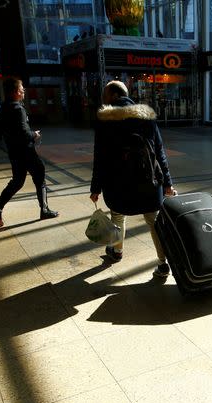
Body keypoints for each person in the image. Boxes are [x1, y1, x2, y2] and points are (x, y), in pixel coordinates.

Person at [89, 80, 175, 278]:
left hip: (118, 183)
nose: (103, 98)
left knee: (118, 216)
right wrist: (168, 182)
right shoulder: (147, 116)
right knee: (153, 221)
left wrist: (96, 187)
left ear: (113, 95)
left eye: (105, 93)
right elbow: (159, 152)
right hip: (149, 181)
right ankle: (163, 264)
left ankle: (117, 251)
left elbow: (100, 156)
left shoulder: (105, 119)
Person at [0, 77, 58, 226]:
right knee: (40, 174)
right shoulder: (18, 109)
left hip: (13, 151)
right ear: (15, 92)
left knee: (18, 181)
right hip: (26, 151)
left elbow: (0, 128)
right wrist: (35, 134)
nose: (23, 90)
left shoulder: (5, 106)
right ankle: (44, 210)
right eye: (21, 88)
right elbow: (24, 134)